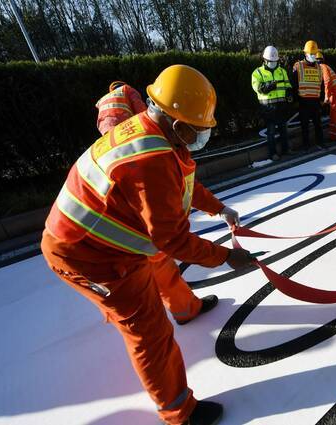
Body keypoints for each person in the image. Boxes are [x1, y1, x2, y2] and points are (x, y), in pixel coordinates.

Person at [41, 64, 253, 425]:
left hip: (110, 236)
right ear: (176, 123)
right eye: (198, 130)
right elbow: (172, 238)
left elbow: (181, 187)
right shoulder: (151, 158)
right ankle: (179, 412)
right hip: (88, 255)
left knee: (157, 263)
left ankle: (187, 309)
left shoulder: (156, 133)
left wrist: (219, 209)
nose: (202, 136)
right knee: (148, 330)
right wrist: (227, 257)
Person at [251, 45, 294, 161]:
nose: (273, 63)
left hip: (281, 106)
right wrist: (268, 86)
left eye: (275, 61)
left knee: (283, 129)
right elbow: (258, 88)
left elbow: (287, 85)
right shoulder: (257, 73)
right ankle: (272, 154)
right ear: (265, 60)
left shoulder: (282, 71)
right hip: (268, 108)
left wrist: (289, 92)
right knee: (271, 132)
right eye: (270, 61)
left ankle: (286, 150)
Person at [292, 40, 326, 151]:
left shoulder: (318, 67)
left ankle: (320, 142)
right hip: (303, 101)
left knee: (318, 124)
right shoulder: (298, 66)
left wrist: (321, 99)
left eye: (314, 54)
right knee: (304, 125)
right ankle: (306, 145)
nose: (313, 56)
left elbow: (322, 84)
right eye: (311, 54)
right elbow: (294, 84)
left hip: (315, 101)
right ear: (305, 54)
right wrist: (296, 100)